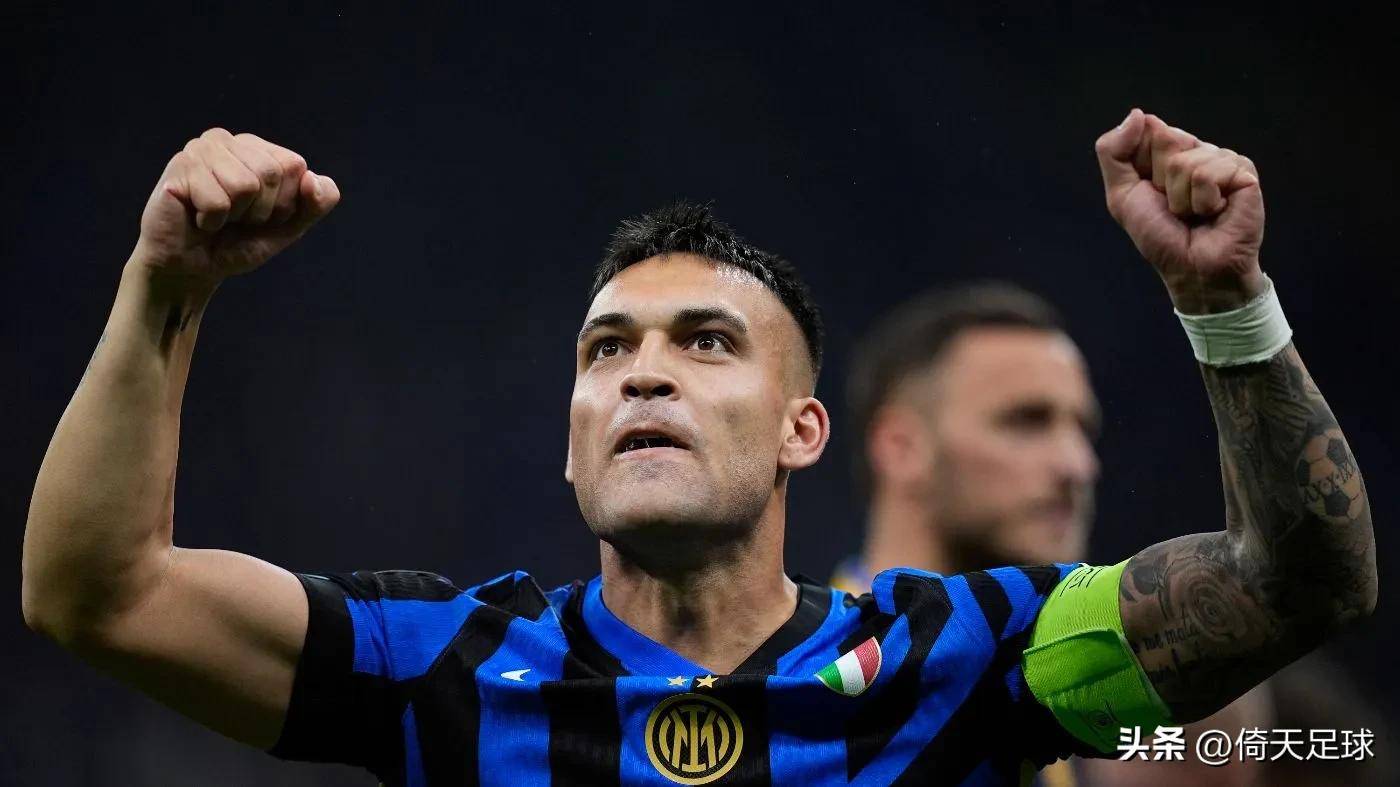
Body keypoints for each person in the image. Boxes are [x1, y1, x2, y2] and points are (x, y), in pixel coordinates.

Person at [21, 110, 1376, 786]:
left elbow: (1300, 581)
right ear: (570, 444)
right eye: (605, 349)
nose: (644, 370)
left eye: (707, 341)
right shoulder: (443, 661)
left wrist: (1224, 303)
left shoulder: (962, 657)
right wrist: (165, 287)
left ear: (804, 430)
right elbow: (99, 591)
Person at [836, 282, 1273, 787]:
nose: (1078, 465)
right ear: (901, 447)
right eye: (1027, 421)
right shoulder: (783, 681)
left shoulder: (1094, 726)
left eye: (1082, 430)